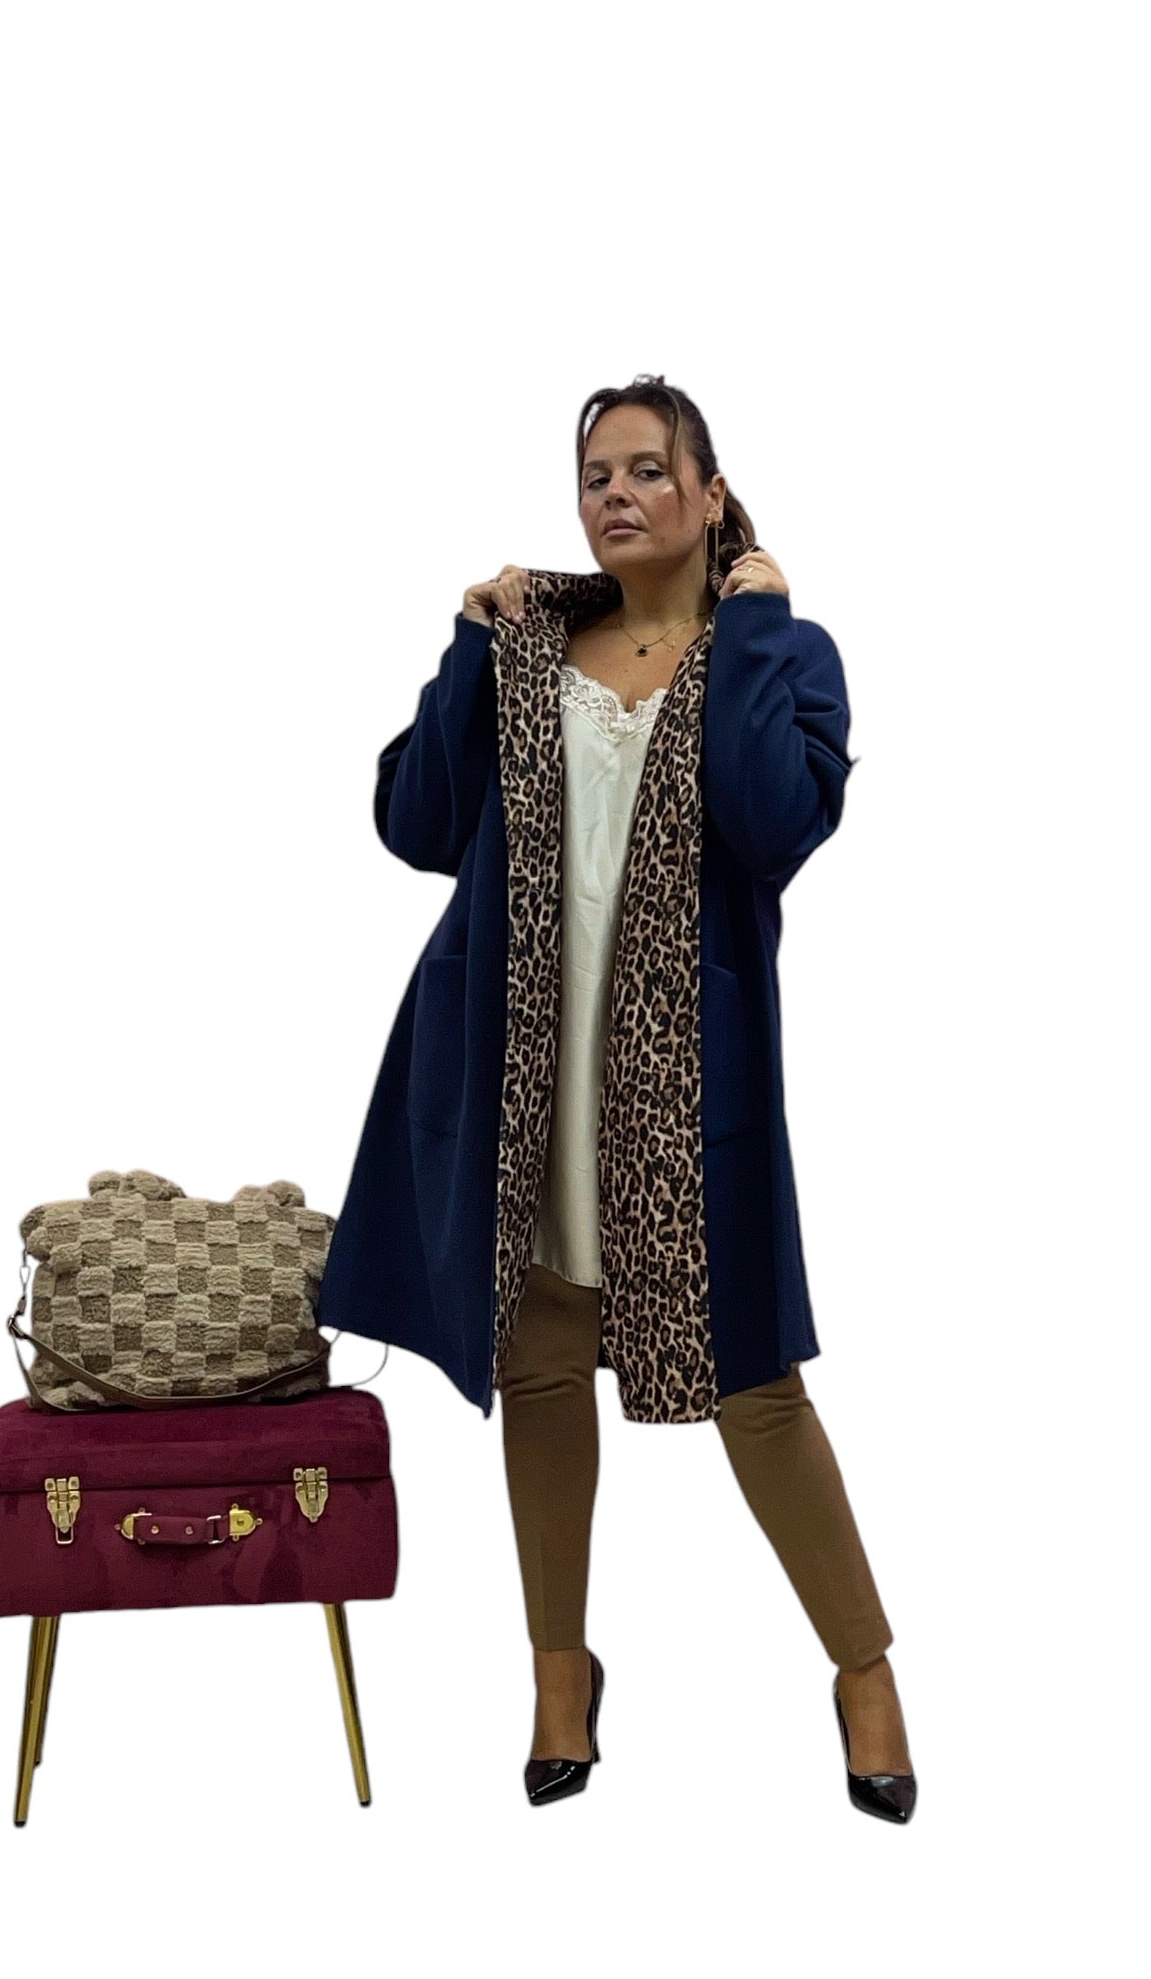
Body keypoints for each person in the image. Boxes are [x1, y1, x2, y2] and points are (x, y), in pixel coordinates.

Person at [315, 374, 915, 1820]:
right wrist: (469, 646)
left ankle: (865, 1672)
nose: (617, 495)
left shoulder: (785, 655)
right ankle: (559, 1671)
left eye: (650, 470)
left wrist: (753, 625)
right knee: (536, 1367)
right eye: (596, 475)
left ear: (711, 495)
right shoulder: (529, 645)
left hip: (689, 1092)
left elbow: (772, 822)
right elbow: (414, 823)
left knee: (755, 1387)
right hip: (515, 1072)